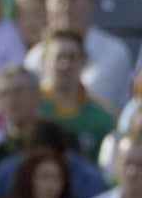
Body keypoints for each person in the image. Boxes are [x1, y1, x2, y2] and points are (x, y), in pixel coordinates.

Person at [24, 0, 133, 112]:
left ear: (91, 5)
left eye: (72, 0)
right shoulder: (35, 57)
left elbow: (86, 101)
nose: (66, 8)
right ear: (47, 9)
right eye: (59, 1)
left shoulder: (114, 52)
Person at [37, 28, 116, 163]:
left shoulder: (102, 115)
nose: (65, 64)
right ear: (45, 61)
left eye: (72, 57)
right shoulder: (33, 108)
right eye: (59, 57)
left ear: (84, 61)